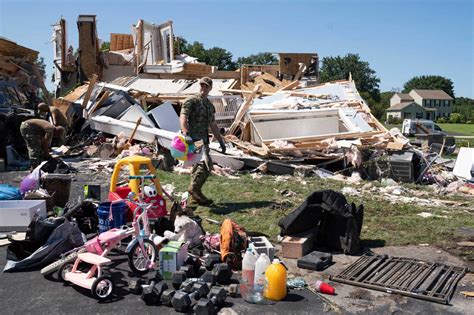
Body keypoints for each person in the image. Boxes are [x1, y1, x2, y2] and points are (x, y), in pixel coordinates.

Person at [179, 77, 226, 205]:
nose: (203, 88)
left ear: (210, 88)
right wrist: (185, 133)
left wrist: (221, 141)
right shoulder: (192, 101)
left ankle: (194, 193)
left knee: (197, 166)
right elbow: (183, 116)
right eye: (202, 85)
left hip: (204, 140)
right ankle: (194, 189)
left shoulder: (209, 106)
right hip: (193, 139)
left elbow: (213, 124)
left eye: (206, 86)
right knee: (206, 164)